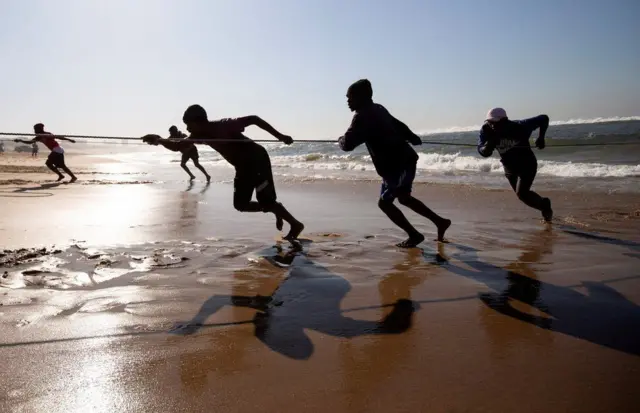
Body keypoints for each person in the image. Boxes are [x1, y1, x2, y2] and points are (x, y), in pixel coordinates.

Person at [144, 105, 304, 240]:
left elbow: (254, 119)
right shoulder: (198, 135)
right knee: (240, 205)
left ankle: (294, 224)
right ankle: (275, 208)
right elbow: (178, 146)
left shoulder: (223, 125)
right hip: (242, 167)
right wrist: (158, 140)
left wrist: (280, 136)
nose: (187, 129)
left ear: (199, 122)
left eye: (189, 124)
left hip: (257, 161)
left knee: (266, 200)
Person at [338, 79, 451, 248]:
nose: (348, 101)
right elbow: (398, 125)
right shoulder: (378, 109)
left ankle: (416, 234)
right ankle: (439, 222)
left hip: (399, 165)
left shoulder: (362, 116)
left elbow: (347, 144)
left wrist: (340, 140)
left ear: (362, 97)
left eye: (350, 97)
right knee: (401, 199)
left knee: (387, 202)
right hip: (396, 165)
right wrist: (412, 136)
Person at [477, 108, 553, 222]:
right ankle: (544, 204)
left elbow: (544, 118)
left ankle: (545, 207)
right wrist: (487, 148)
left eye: (495, 122)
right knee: (522, 196)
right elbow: (481, 150)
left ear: (505, 120)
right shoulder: (486, 130)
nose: (492, 125)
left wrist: (541, 137)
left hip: (527, 163)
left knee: (522, 193)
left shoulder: (520, 126)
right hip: (509, 167)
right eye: (489, 122)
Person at [142, 125, 211, 182]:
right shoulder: (171, 137)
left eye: (172, 132)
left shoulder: (183, 135)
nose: (171, 134)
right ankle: (192, 176)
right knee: (183, 164)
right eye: (170, 133)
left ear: (175, 131)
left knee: (196, 164)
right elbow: (162, 139)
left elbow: (191, 142)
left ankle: (207, 175)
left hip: (192, 150)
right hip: (184, 151)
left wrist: (186, 149)